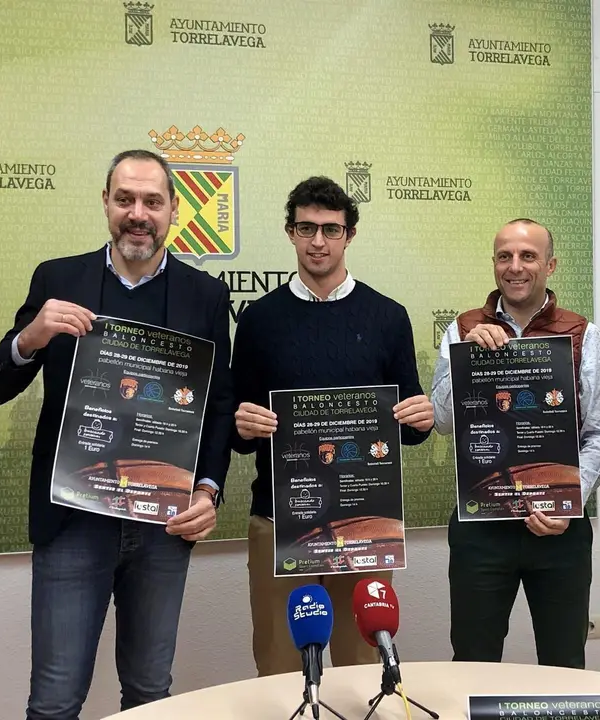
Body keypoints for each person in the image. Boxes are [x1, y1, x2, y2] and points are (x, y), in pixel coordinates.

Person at [0, 149, 234, 719]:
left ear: (172, 210)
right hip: (73, 523)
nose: (137, 214)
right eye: (125, 199)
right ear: (105, 203)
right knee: (54, 699)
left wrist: (208, 489)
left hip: (164, 527)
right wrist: (32, 337)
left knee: (149, 696)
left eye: (152, 201)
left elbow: (217, 408)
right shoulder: (58, 280)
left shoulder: (206, 296)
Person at [231, 176, 434, 676]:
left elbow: (408, 428)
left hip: (364, 519)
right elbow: (234, 430)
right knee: (281, 665)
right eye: (306, 228)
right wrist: (243, 423)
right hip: (280, 517)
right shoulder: (258, 318)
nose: (318, 241)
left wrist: (421, 418)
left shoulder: (389, 316)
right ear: (290, 232)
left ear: (350, 234)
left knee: (361, 662)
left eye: (330, 229)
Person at [431, 218, 600, 668]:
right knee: (473, 660)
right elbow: (440, 422)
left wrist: (569, 500)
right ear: (494, 264)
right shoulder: (461, 329)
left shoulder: (584, 335)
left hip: (559, 532)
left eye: (528, 256)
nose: (515, 267)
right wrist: (469, 360)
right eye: (504, 256)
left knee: (565, 662)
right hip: (481, 528)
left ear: (550, 265)